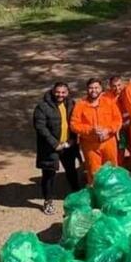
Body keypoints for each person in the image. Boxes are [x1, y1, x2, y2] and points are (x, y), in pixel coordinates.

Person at [33, 82, 80, 214]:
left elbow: (75, 122)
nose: (60, 95)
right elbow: (40, 128)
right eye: (58, 92)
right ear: (53, 91)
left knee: (71, 171)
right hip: (50, 147)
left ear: (68, 92)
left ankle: (78, 197)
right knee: (49, 175)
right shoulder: (43, 107)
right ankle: (48, 201)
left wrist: (73, 140)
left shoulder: (71, 104)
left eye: (63, 92)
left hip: (68, 145)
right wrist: (55, 144)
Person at [71, 78, 123, 184]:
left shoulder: (109, 102)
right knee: (94, 173)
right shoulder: (80, 105)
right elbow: (74, 124)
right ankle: (96, 196)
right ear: (87, 89)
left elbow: (118, 120)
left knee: (112, 170)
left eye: (96, 88)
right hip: (90, 145)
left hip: (109, 142)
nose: (93, 90)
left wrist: (108, 130)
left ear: (101, 89)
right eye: (91, 88)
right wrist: (90, 130)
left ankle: (112, 195)